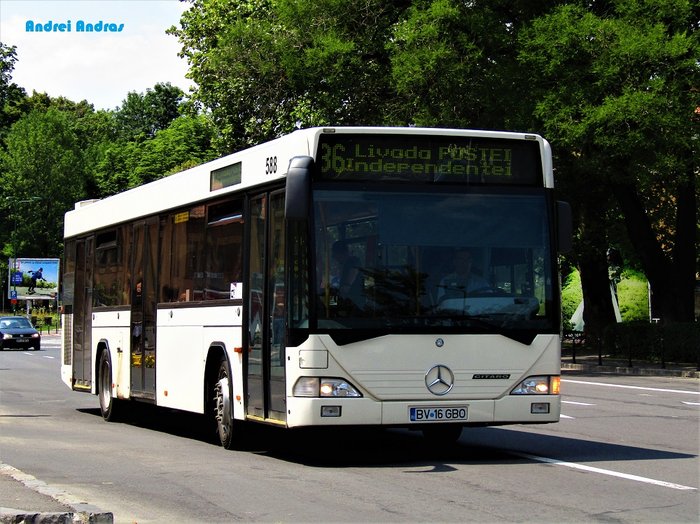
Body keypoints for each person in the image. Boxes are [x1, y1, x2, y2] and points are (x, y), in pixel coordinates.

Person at [331, 240, 364, 309]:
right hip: (348, 300)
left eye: (334, 255)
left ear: (340, 253)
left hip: (354, 302)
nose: (335, 259)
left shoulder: (353, 260)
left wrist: (347, 285)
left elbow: (354, 270)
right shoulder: (345, 264)